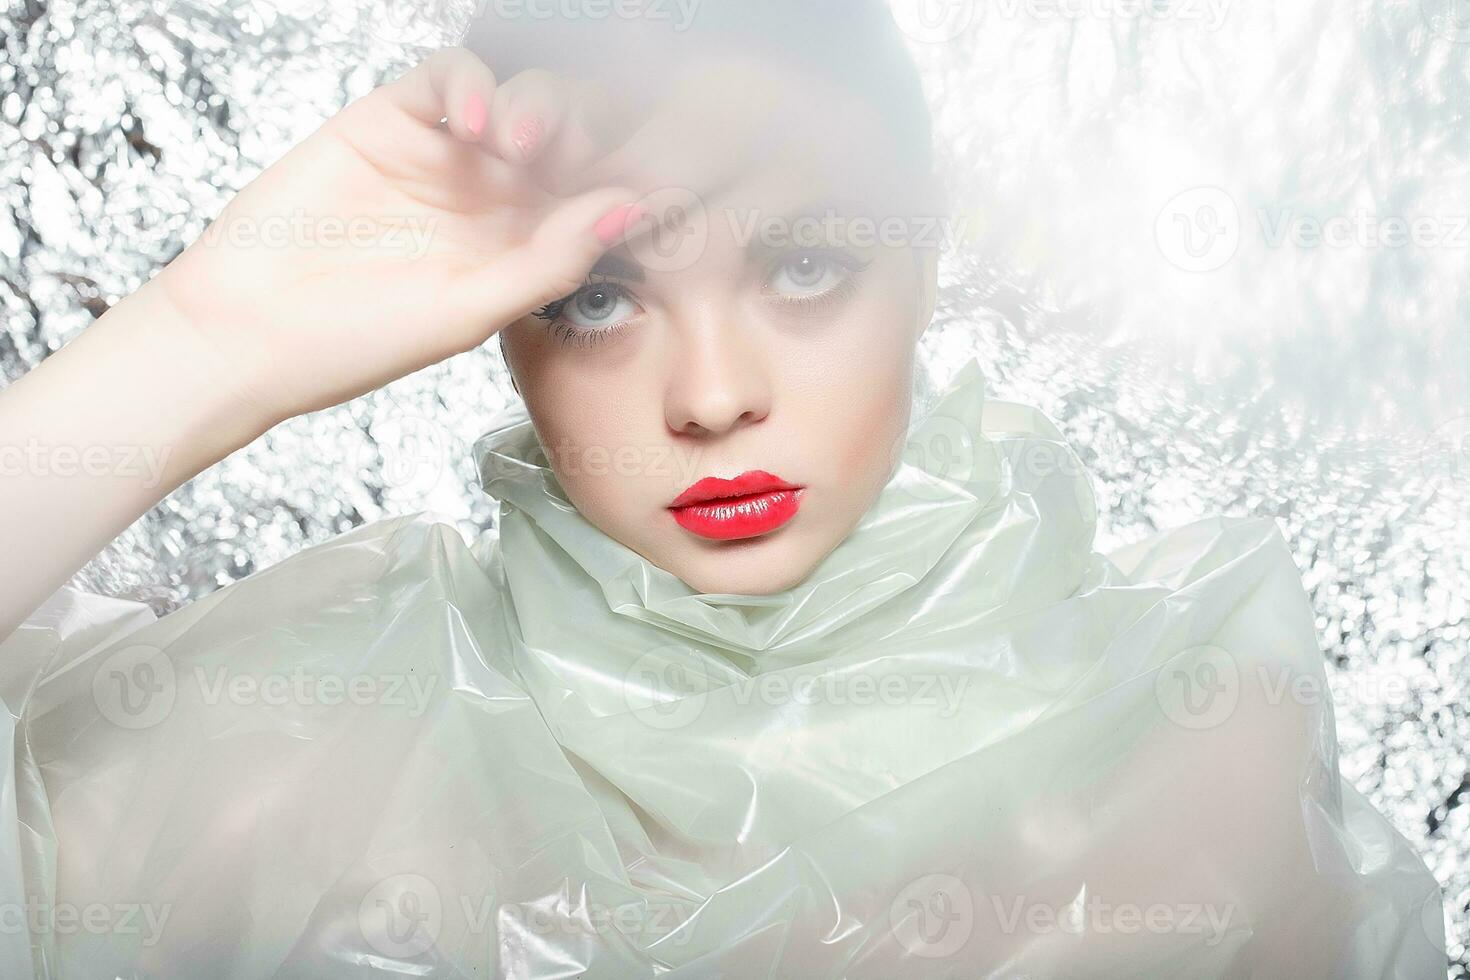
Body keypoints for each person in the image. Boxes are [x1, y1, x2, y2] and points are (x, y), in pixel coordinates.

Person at [0, 1, 1448, 976]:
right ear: (499, 323)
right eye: (596, 297)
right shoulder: (317, 717)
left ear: (929, 251)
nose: (709, 397)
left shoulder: (1190, 731)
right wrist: (203, 345)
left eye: (805, 264)